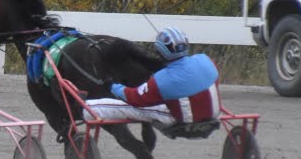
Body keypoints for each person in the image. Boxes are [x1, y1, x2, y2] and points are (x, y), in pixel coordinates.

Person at [85, 25, 221, 131]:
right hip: (213, 113)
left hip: (181, 119)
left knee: (98, 107)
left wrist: (112, 86)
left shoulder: (162, 80)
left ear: (160, 51)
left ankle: (84, 112)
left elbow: (133, 98)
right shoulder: (206, 60)